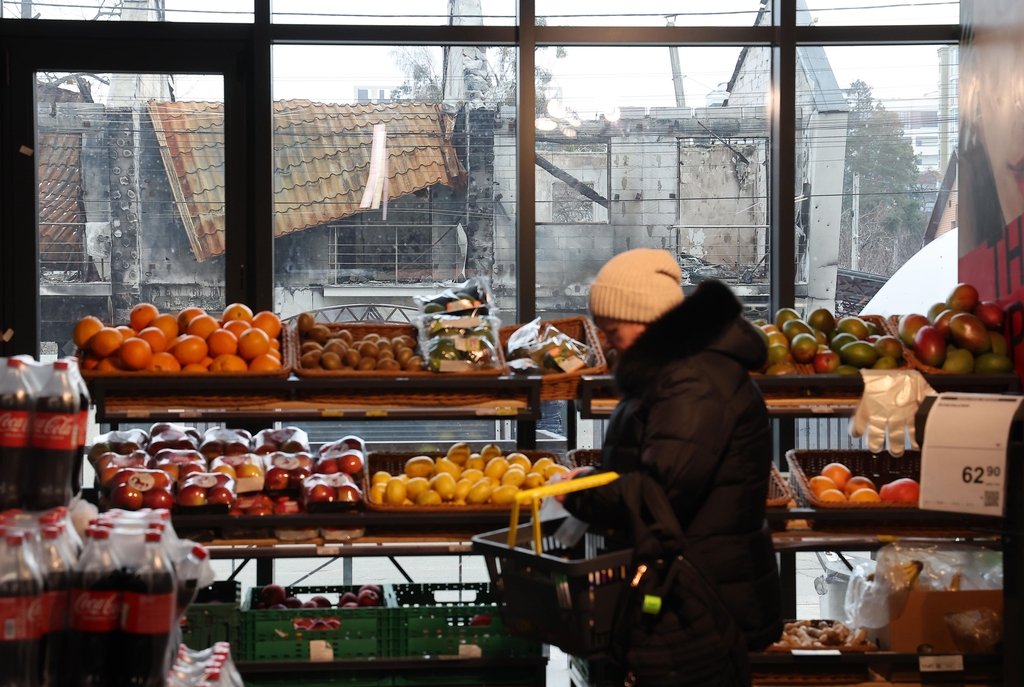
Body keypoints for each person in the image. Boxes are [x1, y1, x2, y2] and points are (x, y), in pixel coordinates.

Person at [562, 248, 783, 660]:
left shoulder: (694, 380)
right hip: (689, 588)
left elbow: (660, 492)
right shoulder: (676, 372)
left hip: (699, 599)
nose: (608, 343)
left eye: (613, 330)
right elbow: (654, 462)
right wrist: (594, 476)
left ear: (646, 319)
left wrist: (580, 494)